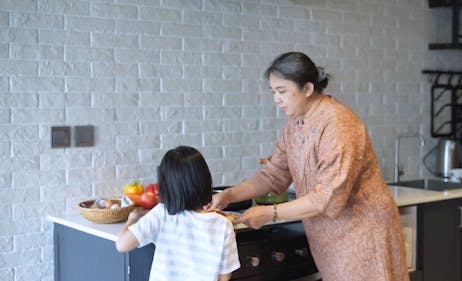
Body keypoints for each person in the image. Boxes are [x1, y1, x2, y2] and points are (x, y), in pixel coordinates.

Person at [207, 52, 409, 281]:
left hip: (363, 232)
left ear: (307, 89)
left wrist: (270, 213)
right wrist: (229, 195)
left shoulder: (338, 124)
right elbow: (272, 175)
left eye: (282, 91)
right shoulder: (296, 124)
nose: (276, 99)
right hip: (330, 235)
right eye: (273, 92)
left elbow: (328, 197)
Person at [116, 145, 240, 281]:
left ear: (167, 186)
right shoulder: (224, 224)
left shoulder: (163, 214)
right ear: (205, 180)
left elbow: (122, 244)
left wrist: (132, 219)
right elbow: (224, 277)